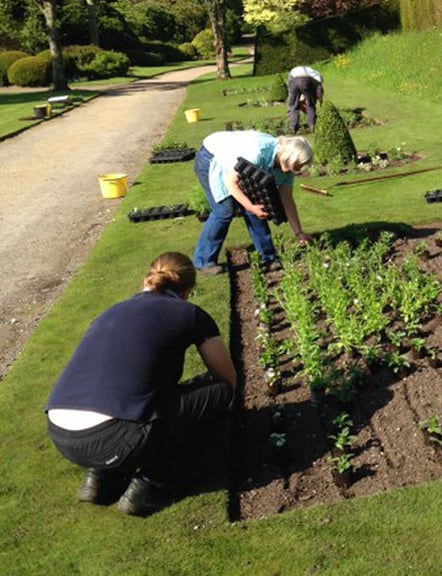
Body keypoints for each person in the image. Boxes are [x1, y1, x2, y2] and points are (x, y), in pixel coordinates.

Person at [45, 252, 236, 517]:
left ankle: (100, 479)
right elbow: (227, 378)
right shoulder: (189, 313)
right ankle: (150, 485)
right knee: (218, 394)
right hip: (112, 438)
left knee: (134, 397)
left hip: (60, 433)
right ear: (187, 290)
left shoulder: (111, 311)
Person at [192, 131, 313, 275]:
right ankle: (203, 262)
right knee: (224, 211)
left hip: (236, 163)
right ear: (288, 157)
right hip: (211, 156)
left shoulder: (287, 169)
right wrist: (250, 206)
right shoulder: (258, 153)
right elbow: (230, 182)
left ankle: (268, 258)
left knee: (257, 208)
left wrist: (299, 232)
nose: (298, 169)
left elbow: (287, 200)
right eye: (297, 165)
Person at [287, 65, 324, 133]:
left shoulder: (295, 70)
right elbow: (319, 90)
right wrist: (320, 101)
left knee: (293, 105)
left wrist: (293, 99)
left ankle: (292, 128)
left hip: (292, 81)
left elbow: (290, 85)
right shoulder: (318, 77)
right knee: (310, 104)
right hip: (305, 81)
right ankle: (312, 126)